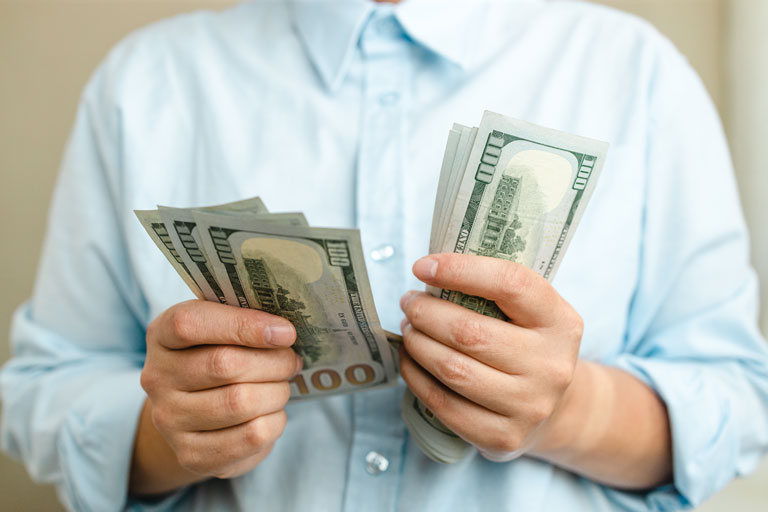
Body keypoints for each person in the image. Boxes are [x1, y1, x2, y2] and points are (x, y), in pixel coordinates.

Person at [2, 0, 768, 510]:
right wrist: (171, 437)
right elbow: (45, 389)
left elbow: (736, 397)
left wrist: (570, 412)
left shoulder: (636, 72)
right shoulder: (146, 85)